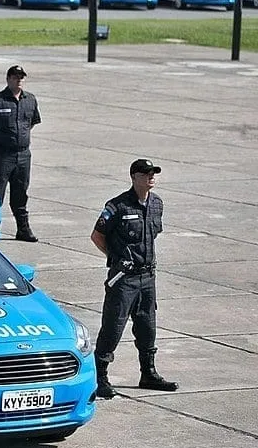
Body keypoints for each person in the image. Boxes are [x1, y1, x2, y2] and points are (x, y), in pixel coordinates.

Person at [90, 159, 179, 399]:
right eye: (146, 173)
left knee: (147, 325)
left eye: (154, 173)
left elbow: (153, 235)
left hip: (148, 276)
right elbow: (97, 235)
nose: (151, 177)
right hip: (124, 279)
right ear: (133, 176)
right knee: (113, 326)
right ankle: (100, 376)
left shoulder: (157, 204)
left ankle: (148, 373)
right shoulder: (117, 206)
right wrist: (116, 258)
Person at [0, 65, 41, 243]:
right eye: (15, 77)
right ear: (8, 79)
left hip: (23, 155)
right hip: (2, 155)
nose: (18, 80)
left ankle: (23, 229)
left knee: (21, 193)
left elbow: (32, 122)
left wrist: (20, 136)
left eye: (21, 77)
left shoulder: (30, 100)